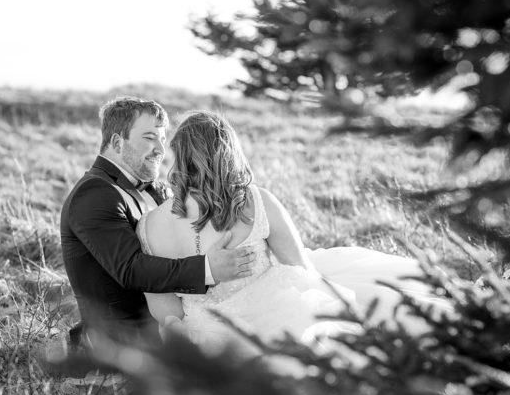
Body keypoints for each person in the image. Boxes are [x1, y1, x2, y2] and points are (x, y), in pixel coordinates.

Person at [136, 111, 453, 368]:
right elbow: (300, 268)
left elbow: (164, 309)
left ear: (178, 157)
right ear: (226, 154)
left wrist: (185, 337)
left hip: (208, 334)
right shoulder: (256, 201)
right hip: (277, 317)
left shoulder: (149, 226)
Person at [60, 97, 256, 353]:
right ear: (118, 142)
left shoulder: (159, 190)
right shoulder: (94, 194)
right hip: (124, 341)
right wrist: (208, 269)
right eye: (149, 137)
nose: (160, 149)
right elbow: (131, 269)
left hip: (173, 321)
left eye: (163, 140)